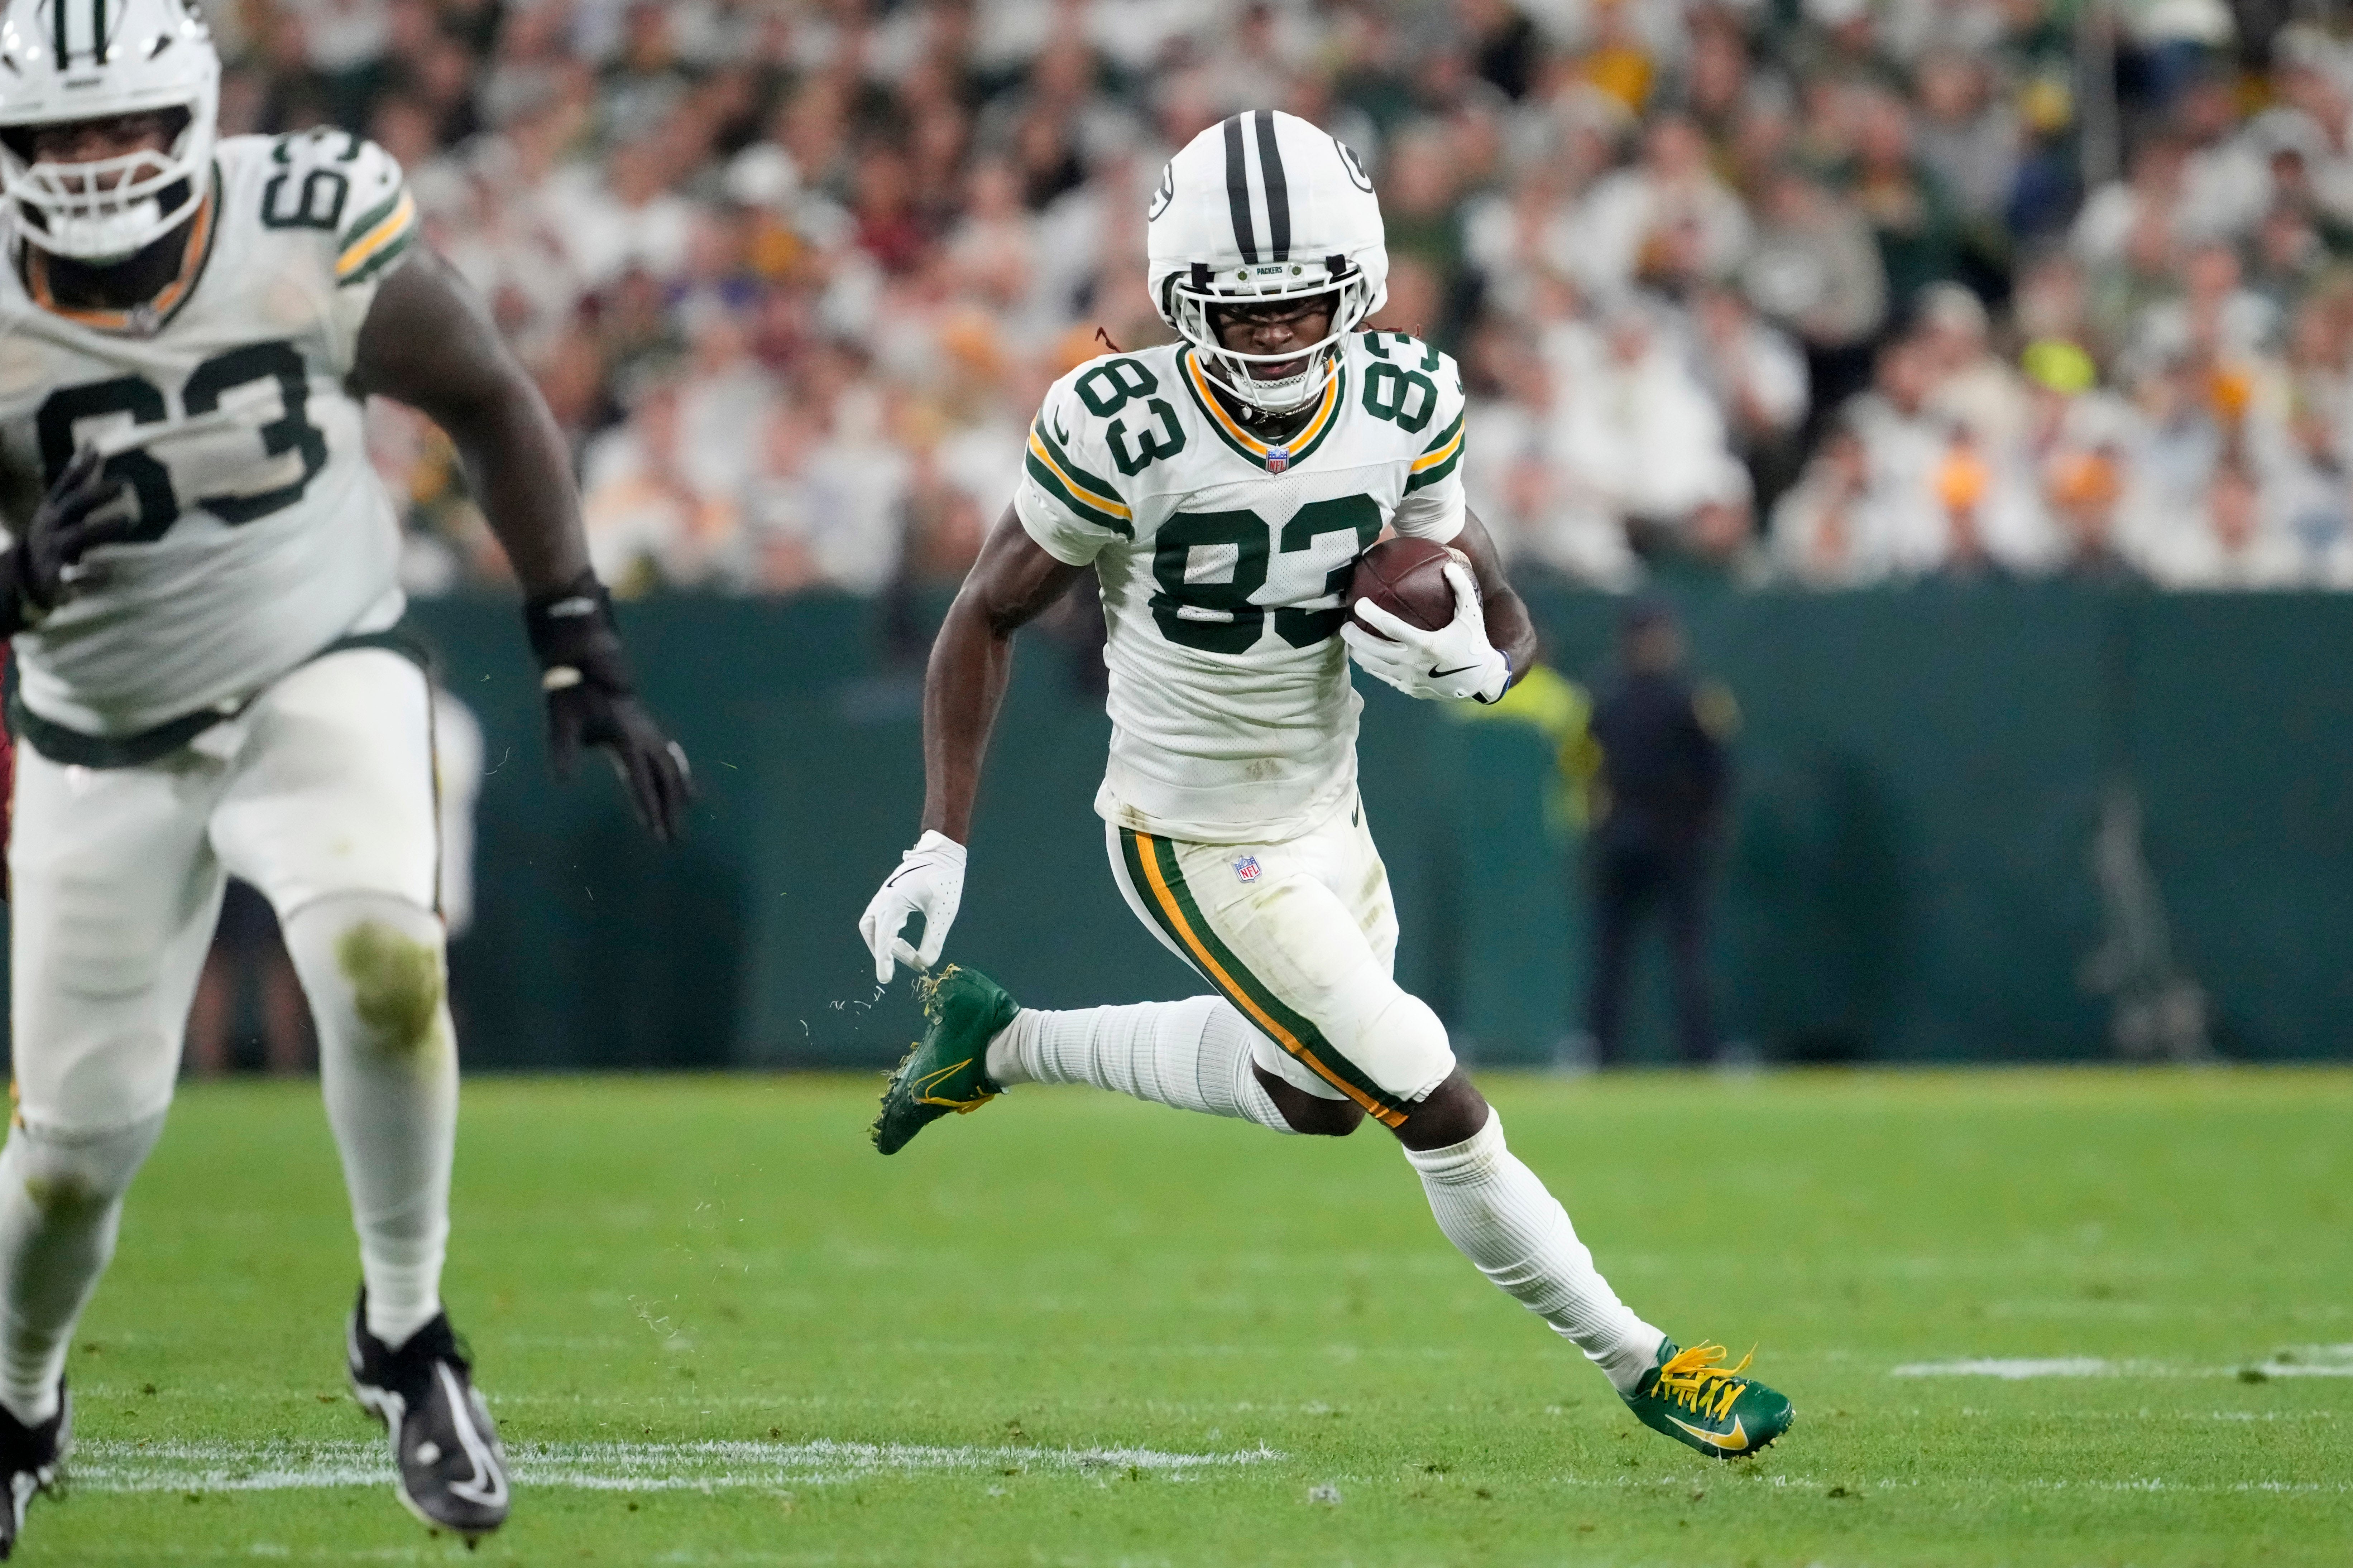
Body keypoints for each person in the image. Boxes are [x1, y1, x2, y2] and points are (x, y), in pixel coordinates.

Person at [857, 111, 1791, 1462]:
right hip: (1188, 825)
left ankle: (994, 1042)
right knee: (1431, 1091)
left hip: (1323, 809)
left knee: (1313, 1095)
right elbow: (982, 615)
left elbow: (1493, 593)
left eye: (1303, 305)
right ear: (1181, 304)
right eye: (1244, 314)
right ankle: (1645, 1359)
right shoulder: (1115, 422)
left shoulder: (1407, 398)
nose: (1280, 338)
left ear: (1355, 283)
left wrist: (1480, 659)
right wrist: (941, 839)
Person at [0, 1, 693, 1549]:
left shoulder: (299, 223)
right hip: (100, 737)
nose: (98, 164)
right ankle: (19, 1396)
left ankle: (406, 1328)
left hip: (319, 664)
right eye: (62, 135)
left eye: (123, 126)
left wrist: (579, 636)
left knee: (383, 959)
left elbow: (488, 392)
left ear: (191, 118)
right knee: (74, 1152)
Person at [1582, 603, 1735, 1067]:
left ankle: (1692, 1053)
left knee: (1655, 954)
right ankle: (1606, 1050)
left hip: (1652, 839)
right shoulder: (1674, 698)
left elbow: (1715, 773)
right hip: (1657, 841)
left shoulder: (1631, 698)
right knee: (1630, 954)